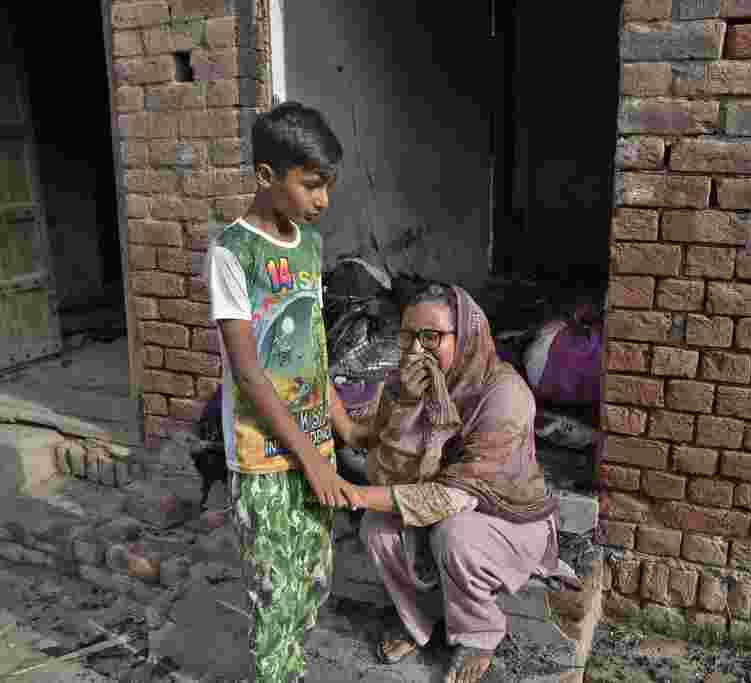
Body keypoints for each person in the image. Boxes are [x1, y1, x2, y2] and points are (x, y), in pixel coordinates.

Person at [206, 101, 369, 682]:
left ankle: (290, 668)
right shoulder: (233, 253)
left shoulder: (307, 246)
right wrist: (312, 462)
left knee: (313, 579)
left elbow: (313, 347)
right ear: (266, 177)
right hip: (263, 454)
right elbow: (249, 373)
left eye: (328, 186)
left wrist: (343, 424)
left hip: (315, 445)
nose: (324, 200)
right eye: (313, 185)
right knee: (272, 594)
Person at [346, 282, 581, 683]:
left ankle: (479, 632)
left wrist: (355, 494)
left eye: (431, 337)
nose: (417, 351)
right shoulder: (405, 384)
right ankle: (421, 619)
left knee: (454, 535)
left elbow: (451, 498)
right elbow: (384, 471)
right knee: (376, 529)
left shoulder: (505, 394)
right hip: (438, 505)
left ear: (467, 336)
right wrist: (406, 408)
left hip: (507, 517)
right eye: (408, 337)